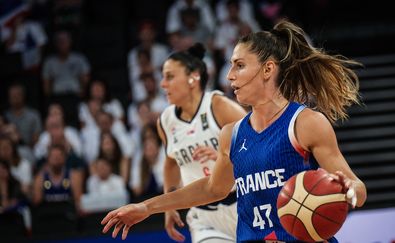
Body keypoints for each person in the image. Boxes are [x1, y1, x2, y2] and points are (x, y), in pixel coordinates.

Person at [101, 20, 367, 242]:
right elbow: (212, 188)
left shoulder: (305, 123)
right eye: (230, 65)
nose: (229, 75)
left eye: (239, 65)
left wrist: (348, 190)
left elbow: (357, 188)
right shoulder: (232, 133)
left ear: (267, 69)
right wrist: (147, 207)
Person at [158, 43, 248, 243]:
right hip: (204, 217)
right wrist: (169, 205)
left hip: (244, 207)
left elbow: (259, 148)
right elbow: (171, 163)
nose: (163, 84)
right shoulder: (165, 121)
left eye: (170, 76)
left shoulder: (219, 107)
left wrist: (224, 159)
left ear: (193, 77)